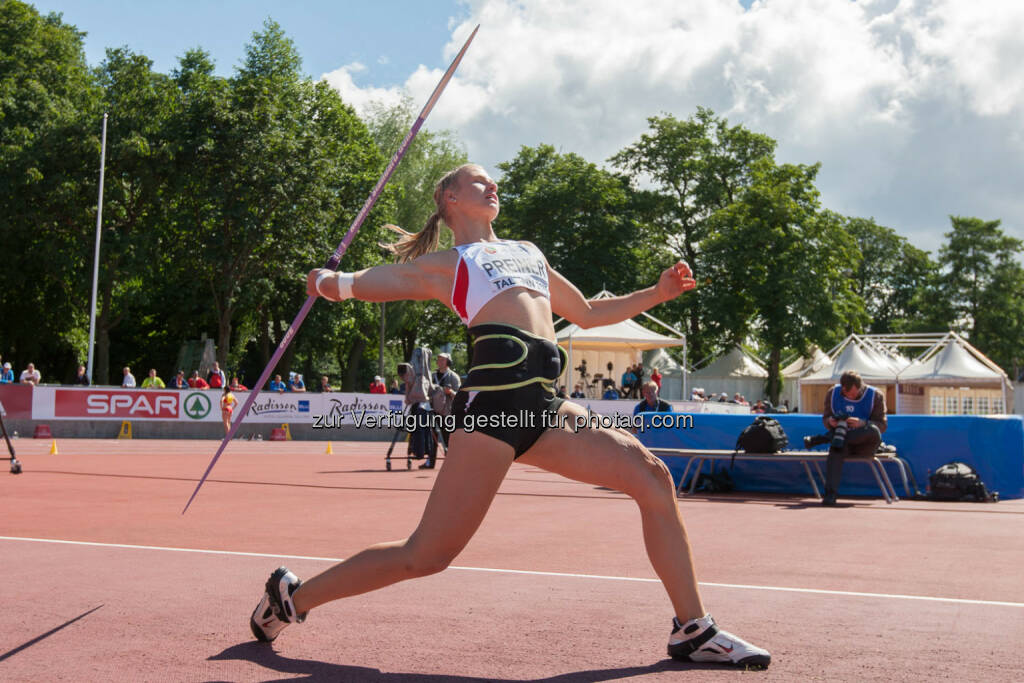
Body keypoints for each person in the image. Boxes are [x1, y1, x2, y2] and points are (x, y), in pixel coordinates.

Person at [249, 163, 769, 668]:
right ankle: (292, 597)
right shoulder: (450, 264)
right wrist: (328, 283)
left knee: (652, 478)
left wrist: (656, 294)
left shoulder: (528, 252)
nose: (492, 184)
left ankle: (693, 629)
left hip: (545, 407)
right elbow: (365, 282)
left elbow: (585, 313)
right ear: (450, 200)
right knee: (425, 556)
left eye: (491, 180)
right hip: (491, 413)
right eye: (478, 180)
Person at [804, 370, 887, 506]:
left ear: (860, 387)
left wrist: (862, 423)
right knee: (836, 450)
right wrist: (830, 422)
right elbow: (826, 418)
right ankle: (830, 495)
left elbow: (882, 426)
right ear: (842, 388)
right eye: (847, 394)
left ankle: (823, 438)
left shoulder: (875, 395)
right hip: (842, 441)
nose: (851, 397)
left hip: (865, 443)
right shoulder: (832, 393)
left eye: (854, 394)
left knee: (872, 430)